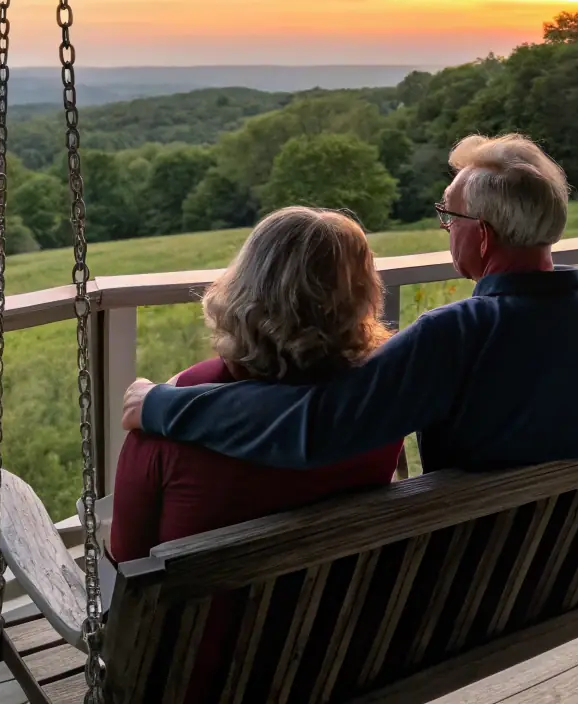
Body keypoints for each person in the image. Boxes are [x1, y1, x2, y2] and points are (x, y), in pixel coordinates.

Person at [120, 133, 578, 473]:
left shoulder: (458, 335)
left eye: (449, 217)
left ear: (481, 236)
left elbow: (317, 426)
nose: (444, 230)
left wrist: (163, 404)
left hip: (492, 583)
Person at [108, 206, 403, 701]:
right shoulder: (378, 409)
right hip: (333, 659)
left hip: (197, 678)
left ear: (245, 287)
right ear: (360, 294)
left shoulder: (176, 412)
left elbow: (128, 560)